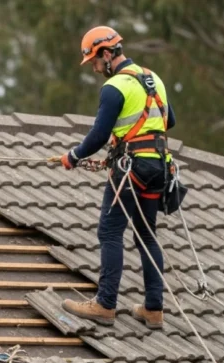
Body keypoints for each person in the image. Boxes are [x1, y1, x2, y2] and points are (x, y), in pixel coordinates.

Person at [59, 26, 176, 330]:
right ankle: (153, 309)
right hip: (158, 167)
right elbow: (169, 120)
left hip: (131, 169)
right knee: (146, 234)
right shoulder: (154, 79)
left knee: (109, 231)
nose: (96, 69)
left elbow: (98, 134)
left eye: (96, 62)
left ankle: (105, 304)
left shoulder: (115, 87)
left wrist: (73, 156)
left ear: (107, 54)